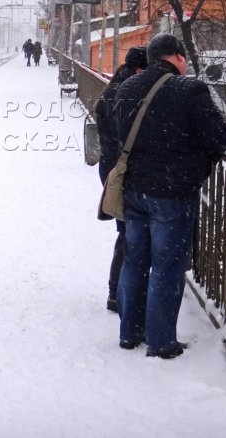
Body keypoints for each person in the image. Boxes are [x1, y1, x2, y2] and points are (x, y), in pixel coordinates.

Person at [114, 34, 226, 359]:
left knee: (135, 260)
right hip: (172, 193)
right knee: (167, 266)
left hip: (134, 190)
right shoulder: (189, 89)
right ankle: (162, 342)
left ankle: (129, 333)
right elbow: (220, 136)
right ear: (177, 57)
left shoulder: (127, 88)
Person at [94, 47, 148, 313]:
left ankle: (118, 293)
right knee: (128, 235)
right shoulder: (126, 92)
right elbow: (124, 136)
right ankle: (117, 295)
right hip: (122, 171)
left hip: (113, 168)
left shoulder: (115, 87)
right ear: (141, 69)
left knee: (126, 233)